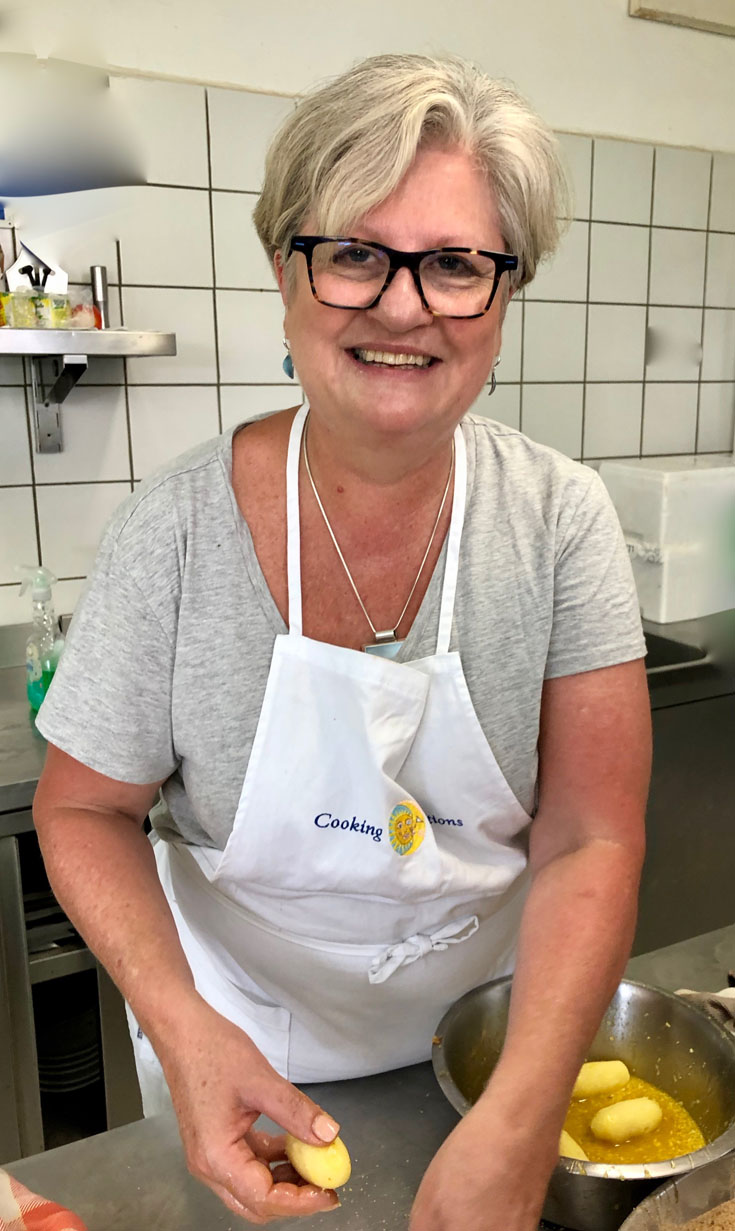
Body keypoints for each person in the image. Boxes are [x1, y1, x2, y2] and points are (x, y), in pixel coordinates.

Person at [33, 52, 651, 1230]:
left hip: (493, 1050)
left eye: (456, 264)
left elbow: (591, 836)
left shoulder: (561, 520)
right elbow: (82, 811)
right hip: (240, 1062)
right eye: (356, 253)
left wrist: (524, 1110)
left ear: (505, 296)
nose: (404, 307)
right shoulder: (175, 531)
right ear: (286, 273)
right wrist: (185, 1028)